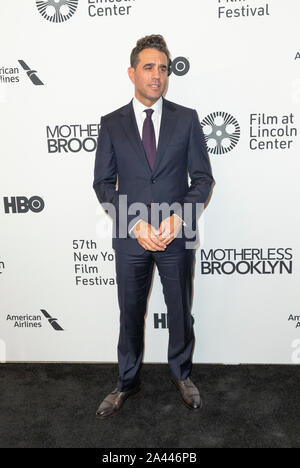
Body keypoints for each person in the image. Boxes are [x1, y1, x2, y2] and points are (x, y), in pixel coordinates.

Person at [93, 34, 214, 418]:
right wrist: (134, 224)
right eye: (149, 67)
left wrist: (179, 218)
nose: (157, 75)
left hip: (178, 234)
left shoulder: (187, 118)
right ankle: (126, 381)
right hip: (131, 238)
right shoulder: (111, 123)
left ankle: (181, 373)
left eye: (163, 68)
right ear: (132, 72)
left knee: (180, 309)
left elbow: (203, 179)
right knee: (130, 312)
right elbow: (102, 184)